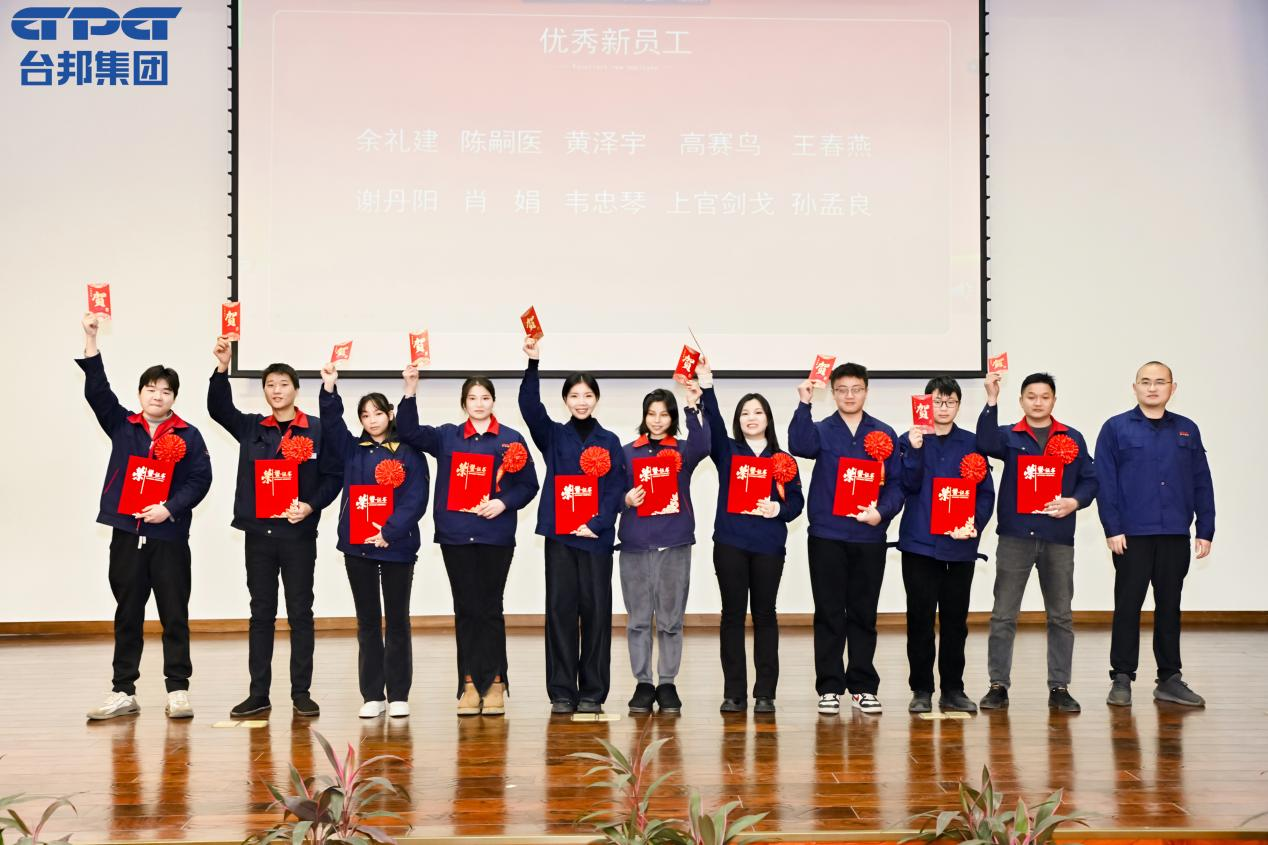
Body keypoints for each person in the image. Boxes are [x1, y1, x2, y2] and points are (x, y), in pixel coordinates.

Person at [78, 313, 213, 721]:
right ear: (140, 393)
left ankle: (178, 690)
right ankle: (123, 690)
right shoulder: (123, 425)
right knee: (127, 613)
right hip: (126, 534)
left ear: (174, 398)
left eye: (166, 391)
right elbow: (98, 391)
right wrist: (91, 340)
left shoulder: (188, 434)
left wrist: (168, 508)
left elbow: (201, 479)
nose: (158, 396)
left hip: (169, 538)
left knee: (174, 613)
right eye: (151, 389)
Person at [208, 338, 342, 718]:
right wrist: (222, 368)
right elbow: (218, 409)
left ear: (296, 390)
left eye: (284, 384)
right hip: (259, 535)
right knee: (261, 613)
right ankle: (259, 693)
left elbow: (334, 477)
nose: (277, 390)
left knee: (300, 612)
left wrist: (311, 505)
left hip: (298, 535)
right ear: (265, 391)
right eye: (270, 385)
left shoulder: (316, 430)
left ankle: (302, 693)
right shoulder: (252, 426)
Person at [395, 365, 539, 716]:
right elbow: (409, 432)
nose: (479, 403)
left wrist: (503, 502)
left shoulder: (511, 439)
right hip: (456, 535)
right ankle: (470, 684)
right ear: (464, 404)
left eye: (485, 397)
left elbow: (528, 485)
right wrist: (410, 390)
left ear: (493, 402)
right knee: (465, 609)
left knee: (490, 609)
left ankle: (497, 684)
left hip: (495, 535)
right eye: (472, 398)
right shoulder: (448, 436)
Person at [518, 337, 628, 714]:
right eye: (574, 396)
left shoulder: (610, 440)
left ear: (596, 399)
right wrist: (533, 364)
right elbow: (529, 408)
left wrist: (596, 523)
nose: (581, 402)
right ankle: (562, 690)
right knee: (560, 611)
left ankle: (593, 691)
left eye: (588, 395)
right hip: (561, 537)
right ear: (565, 400)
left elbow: (616, 488)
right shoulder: (553, 435)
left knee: (596, 614)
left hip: (595, 539)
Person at [976, 371, 1097, 712]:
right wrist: (991, 400)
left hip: (1057, 537)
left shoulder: (1072, 437)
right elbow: (984, 443)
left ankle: (1059, 686)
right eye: (1031, 396)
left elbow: (1091, 480)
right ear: (1021, 400)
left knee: (1060, 616)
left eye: (1045, 396)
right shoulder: (1009, 436)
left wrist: (1074, 502)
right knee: (1004, 614)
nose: (1038, 402)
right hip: (1016, 536)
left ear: (1054, 400)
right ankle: (998, 685)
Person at [1096, 361, 1214, 707]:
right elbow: (1105, 482)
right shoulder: (1115, 428)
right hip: (1132, 535)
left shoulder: (1187, 430)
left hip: (1175, 532)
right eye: (1145, 382)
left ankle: (1169, 678)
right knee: (1128, 605)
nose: (1152, 388)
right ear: (1134, 387)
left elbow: (1201, 481)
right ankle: (1121, 677)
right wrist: (1113, 527)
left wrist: (1205, 528)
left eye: (1160, 382)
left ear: (1172, 388)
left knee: (1169, 606)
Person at [789, 362, 904, 716]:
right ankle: (829, 687)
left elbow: (897, 484)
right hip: (827, 534)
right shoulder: (822, 430)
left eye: (856, 389)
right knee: (828, 612)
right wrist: (804, 403)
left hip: (869, 536)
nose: (849, 396)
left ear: (866, 391)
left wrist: (881, 512)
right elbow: (798, 445)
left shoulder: (883, 433)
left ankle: (863, 686)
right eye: (842, 390)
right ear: (833, 392)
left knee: (863, 613)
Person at [319, 362, 430, 719]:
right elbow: (332, 425)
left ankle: (398, 694)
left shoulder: (409, 451)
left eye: (378, 413)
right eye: (365, 415)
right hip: (358, 547)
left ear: (390, 414)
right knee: (367, 621)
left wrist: (389, 532)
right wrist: (329, 389)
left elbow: (416, 498)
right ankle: (372, 694)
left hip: (398, 547)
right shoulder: (352, 449)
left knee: (397, 620)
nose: (372, 420)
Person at [696, 355, 804, 713]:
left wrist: (778, 509)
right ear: (738, 420)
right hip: (730, 544)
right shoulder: (727, 451)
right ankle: (734, 693)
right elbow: (711, 422)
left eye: (758, 412)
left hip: (768, 546)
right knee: (731, 616)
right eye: (745, 413)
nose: (751, 417)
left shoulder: (782, 460)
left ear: (768, 418)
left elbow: (797, 503)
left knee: (765, 616)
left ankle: (765, 693)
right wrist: (707, 386)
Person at [896, 376, 995, 714]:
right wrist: (914, 450)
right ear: (926, 404)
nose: (943, 407)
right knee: (920, 620)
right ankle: (921, 689)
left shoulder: (972, 443)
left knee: (955, 622)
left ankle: (953, 689)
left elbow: (985, 493)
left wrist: (973, 524)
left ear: (958, 406)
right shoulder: (909, 439)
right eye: (937, 401)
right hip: (919, 545)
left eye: (950, 402)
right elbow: (906, 485)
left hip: (959, 547)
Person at [617, 384, 710, 714]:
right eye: (651, 414)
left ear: (672, 418)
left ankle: (667, 682)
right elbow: (610, 494)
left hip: (674, 543)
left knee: (671, 620)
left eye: (664, 415)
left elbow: (705, 444)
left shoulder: (683, 451)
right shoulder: (626, 452)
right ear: (644, 417)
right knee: (638, 620)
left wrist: (693, 407)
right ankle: (643, 683)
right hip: (635, 545)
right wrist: (625, 499)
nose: (657, 420)